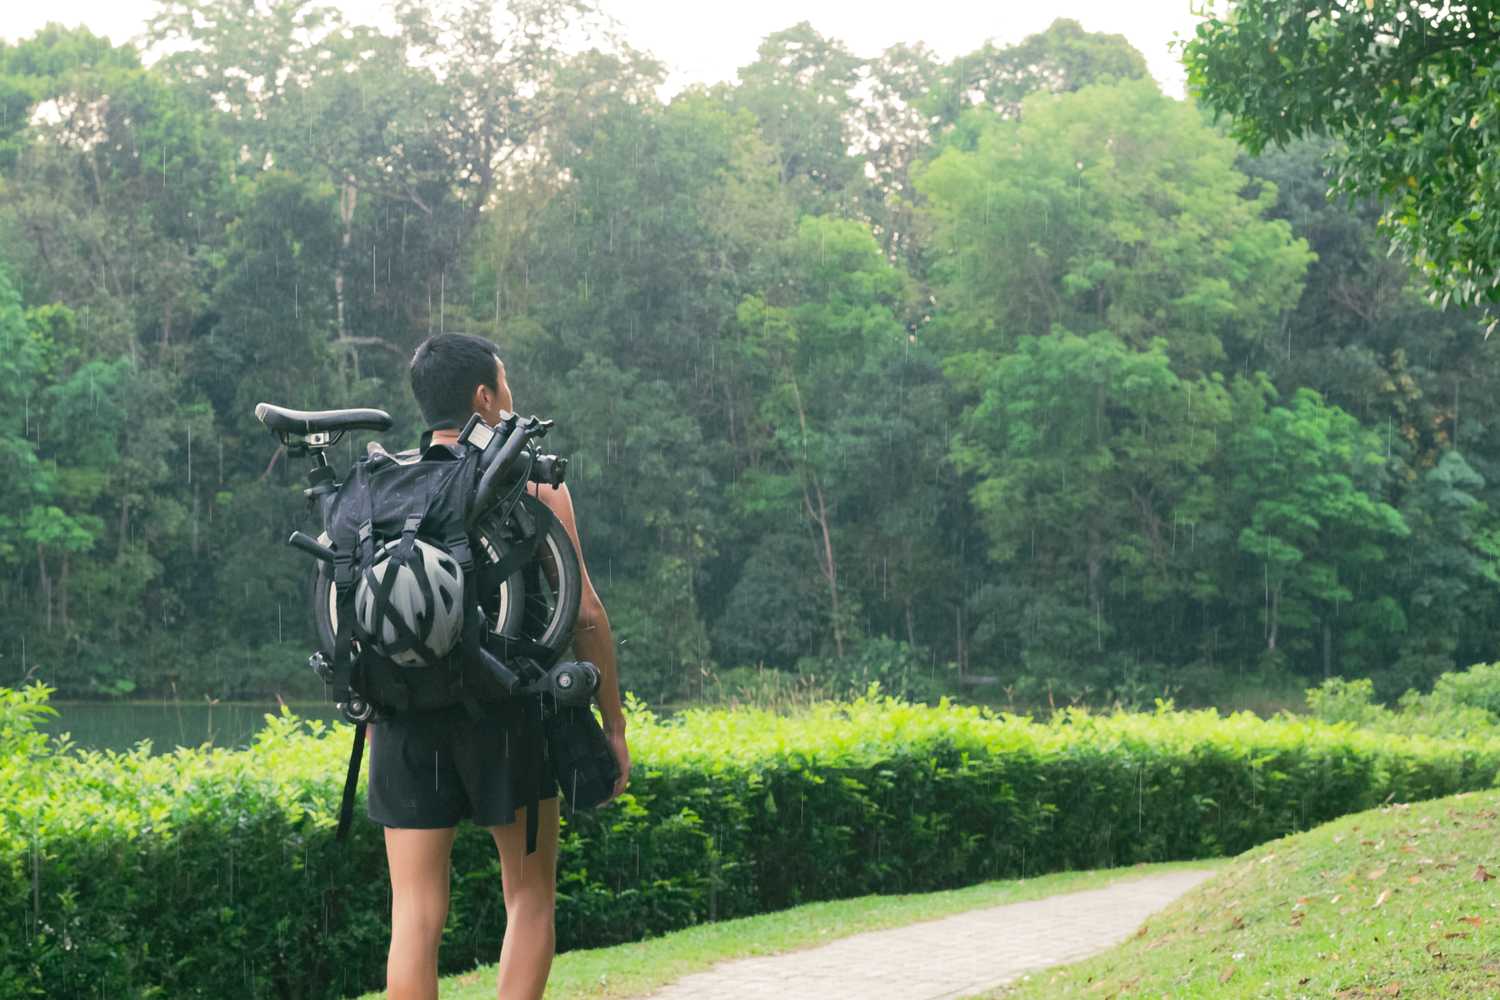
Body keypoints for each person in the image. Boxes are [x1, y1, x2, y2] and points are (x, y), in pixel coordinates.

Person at [366, 332, 631, 1000]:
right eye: (505, 386)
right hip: (507, 714)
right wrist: (614, 726)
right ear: (485, 397)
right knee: (529, 899)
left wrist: (376, 711)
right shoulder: (530, 483)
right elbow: (586, 615)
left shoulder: (386, 491)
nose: (511, 398)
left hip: (403, 719)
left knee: (415, 916)